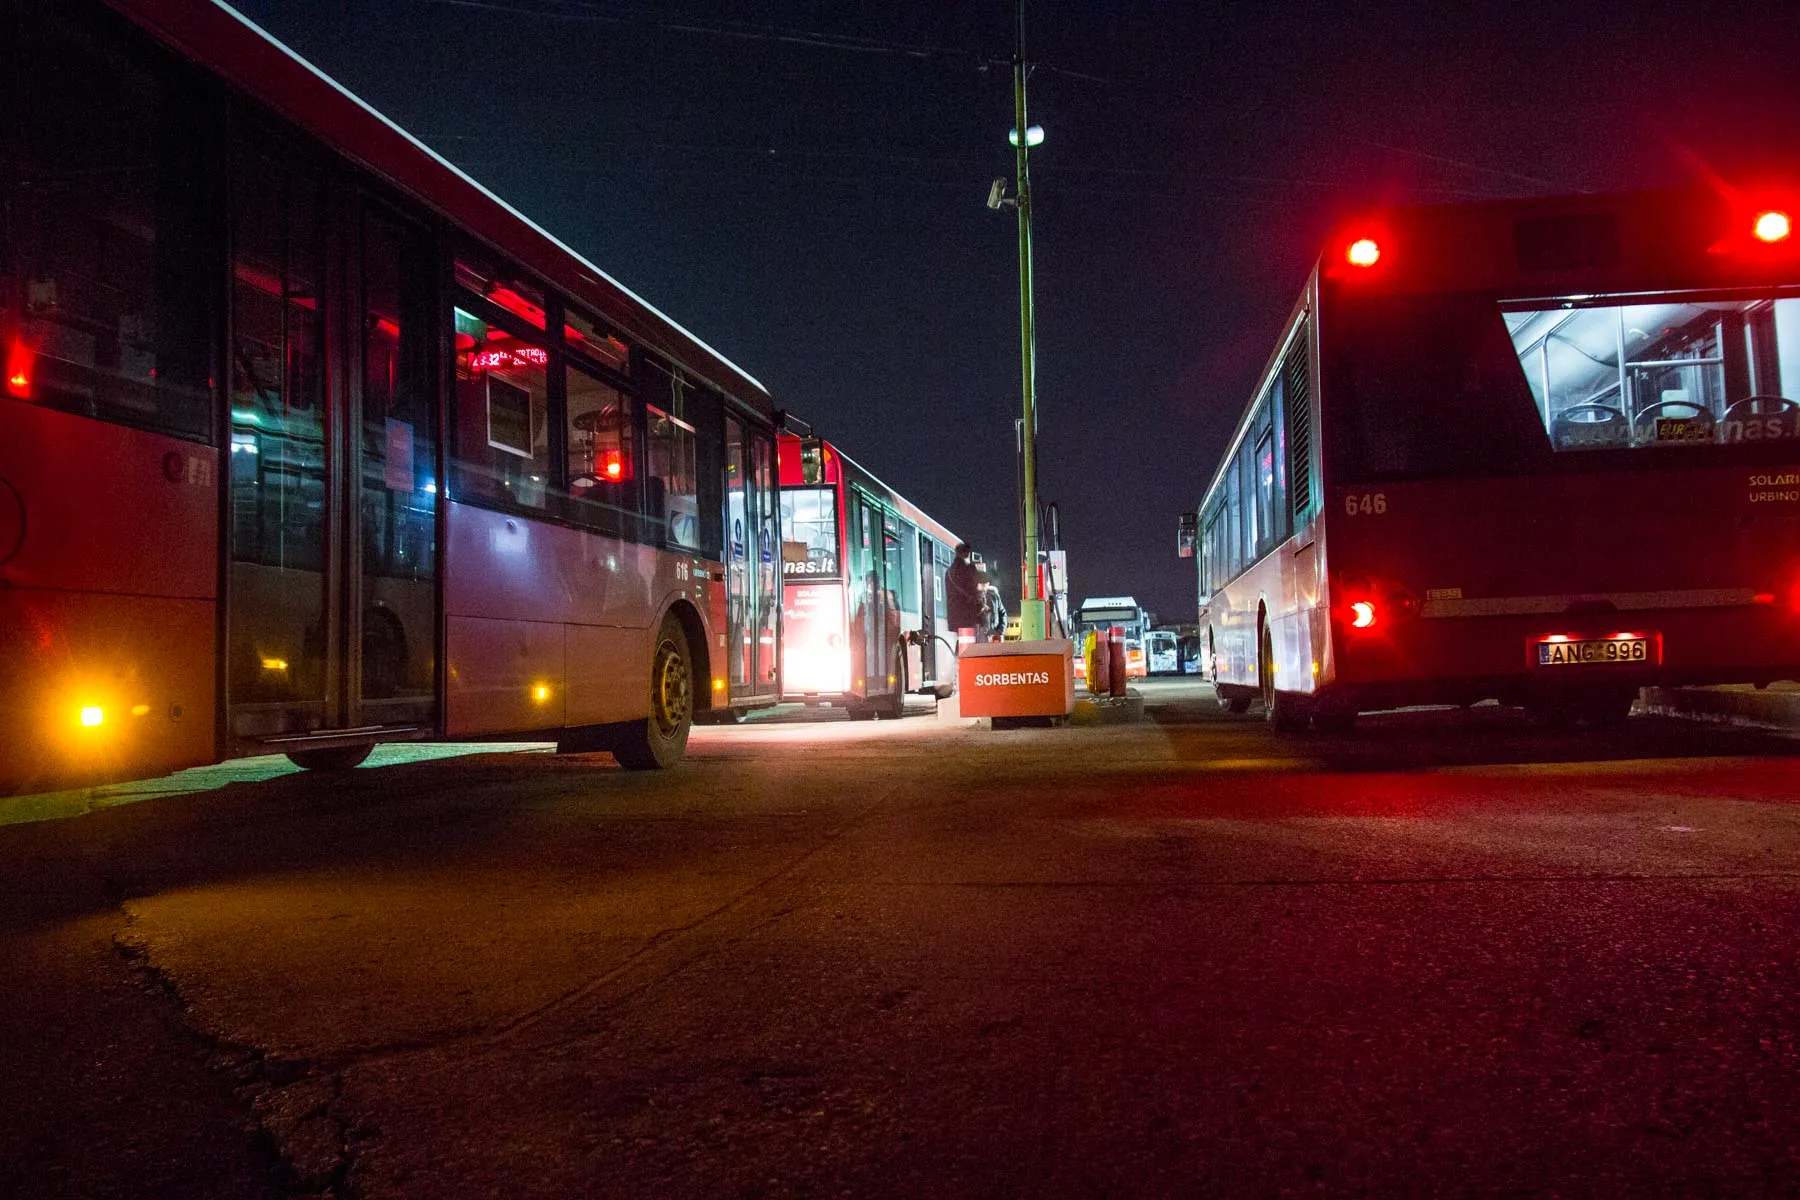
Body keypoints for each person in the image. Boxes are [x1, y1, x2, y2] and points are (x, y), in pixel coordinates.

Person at [945, 542, 983, 642]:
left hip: (954, 616)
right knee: (968, 643)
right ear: (967, 554)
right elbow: (974, 589)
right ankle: (961, 657)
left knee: (962, 641)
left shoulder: (949, 571)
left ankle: (957, 657)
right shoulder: (969, 569)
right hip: (968, 614)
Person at [980, 578, 1008, 643]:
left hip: (993, 639)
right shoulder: (971, 598)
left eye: (985, 582)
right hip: (977, 640)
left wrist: (1000, 632)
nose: (984, 584)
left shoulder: (994, 597)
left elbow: (1003, 613)